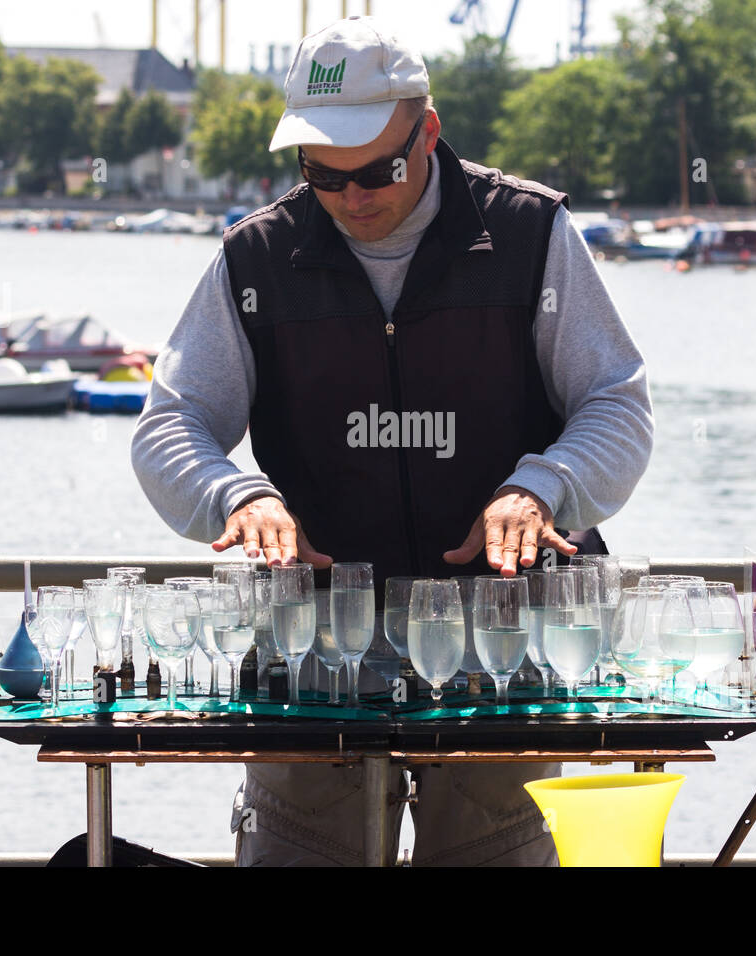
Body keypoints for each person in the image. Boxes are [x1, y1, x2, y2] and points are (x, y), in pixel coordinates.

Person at [131, 16, 654, 866]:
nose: (352, 197)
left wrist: (543, 485)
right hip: (310, 659)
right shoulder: (254, 256)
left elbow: (618, 404)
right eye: (321, 175)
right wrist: (238, 495)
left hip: (506, 654)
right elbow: (169, 425)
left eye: (379, 170)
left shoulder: (531, 233)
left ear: (429, 131)